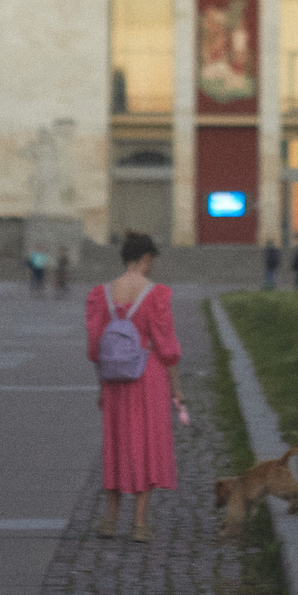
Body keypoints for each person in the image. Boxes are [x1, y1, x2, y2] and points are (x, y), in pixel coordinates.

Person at [87, 232, 182, 542]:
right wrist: (176, 388)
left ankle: (109, 519)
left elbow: (95, 346)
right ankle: (140, 523)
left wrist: (102, 384)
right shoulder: (155, 294)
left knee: (116, 444)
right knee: (147, 445)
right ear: (145, 258)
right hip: (147, 376)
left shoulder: (102, 294)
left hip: (114, 380)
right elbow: (166, 347)